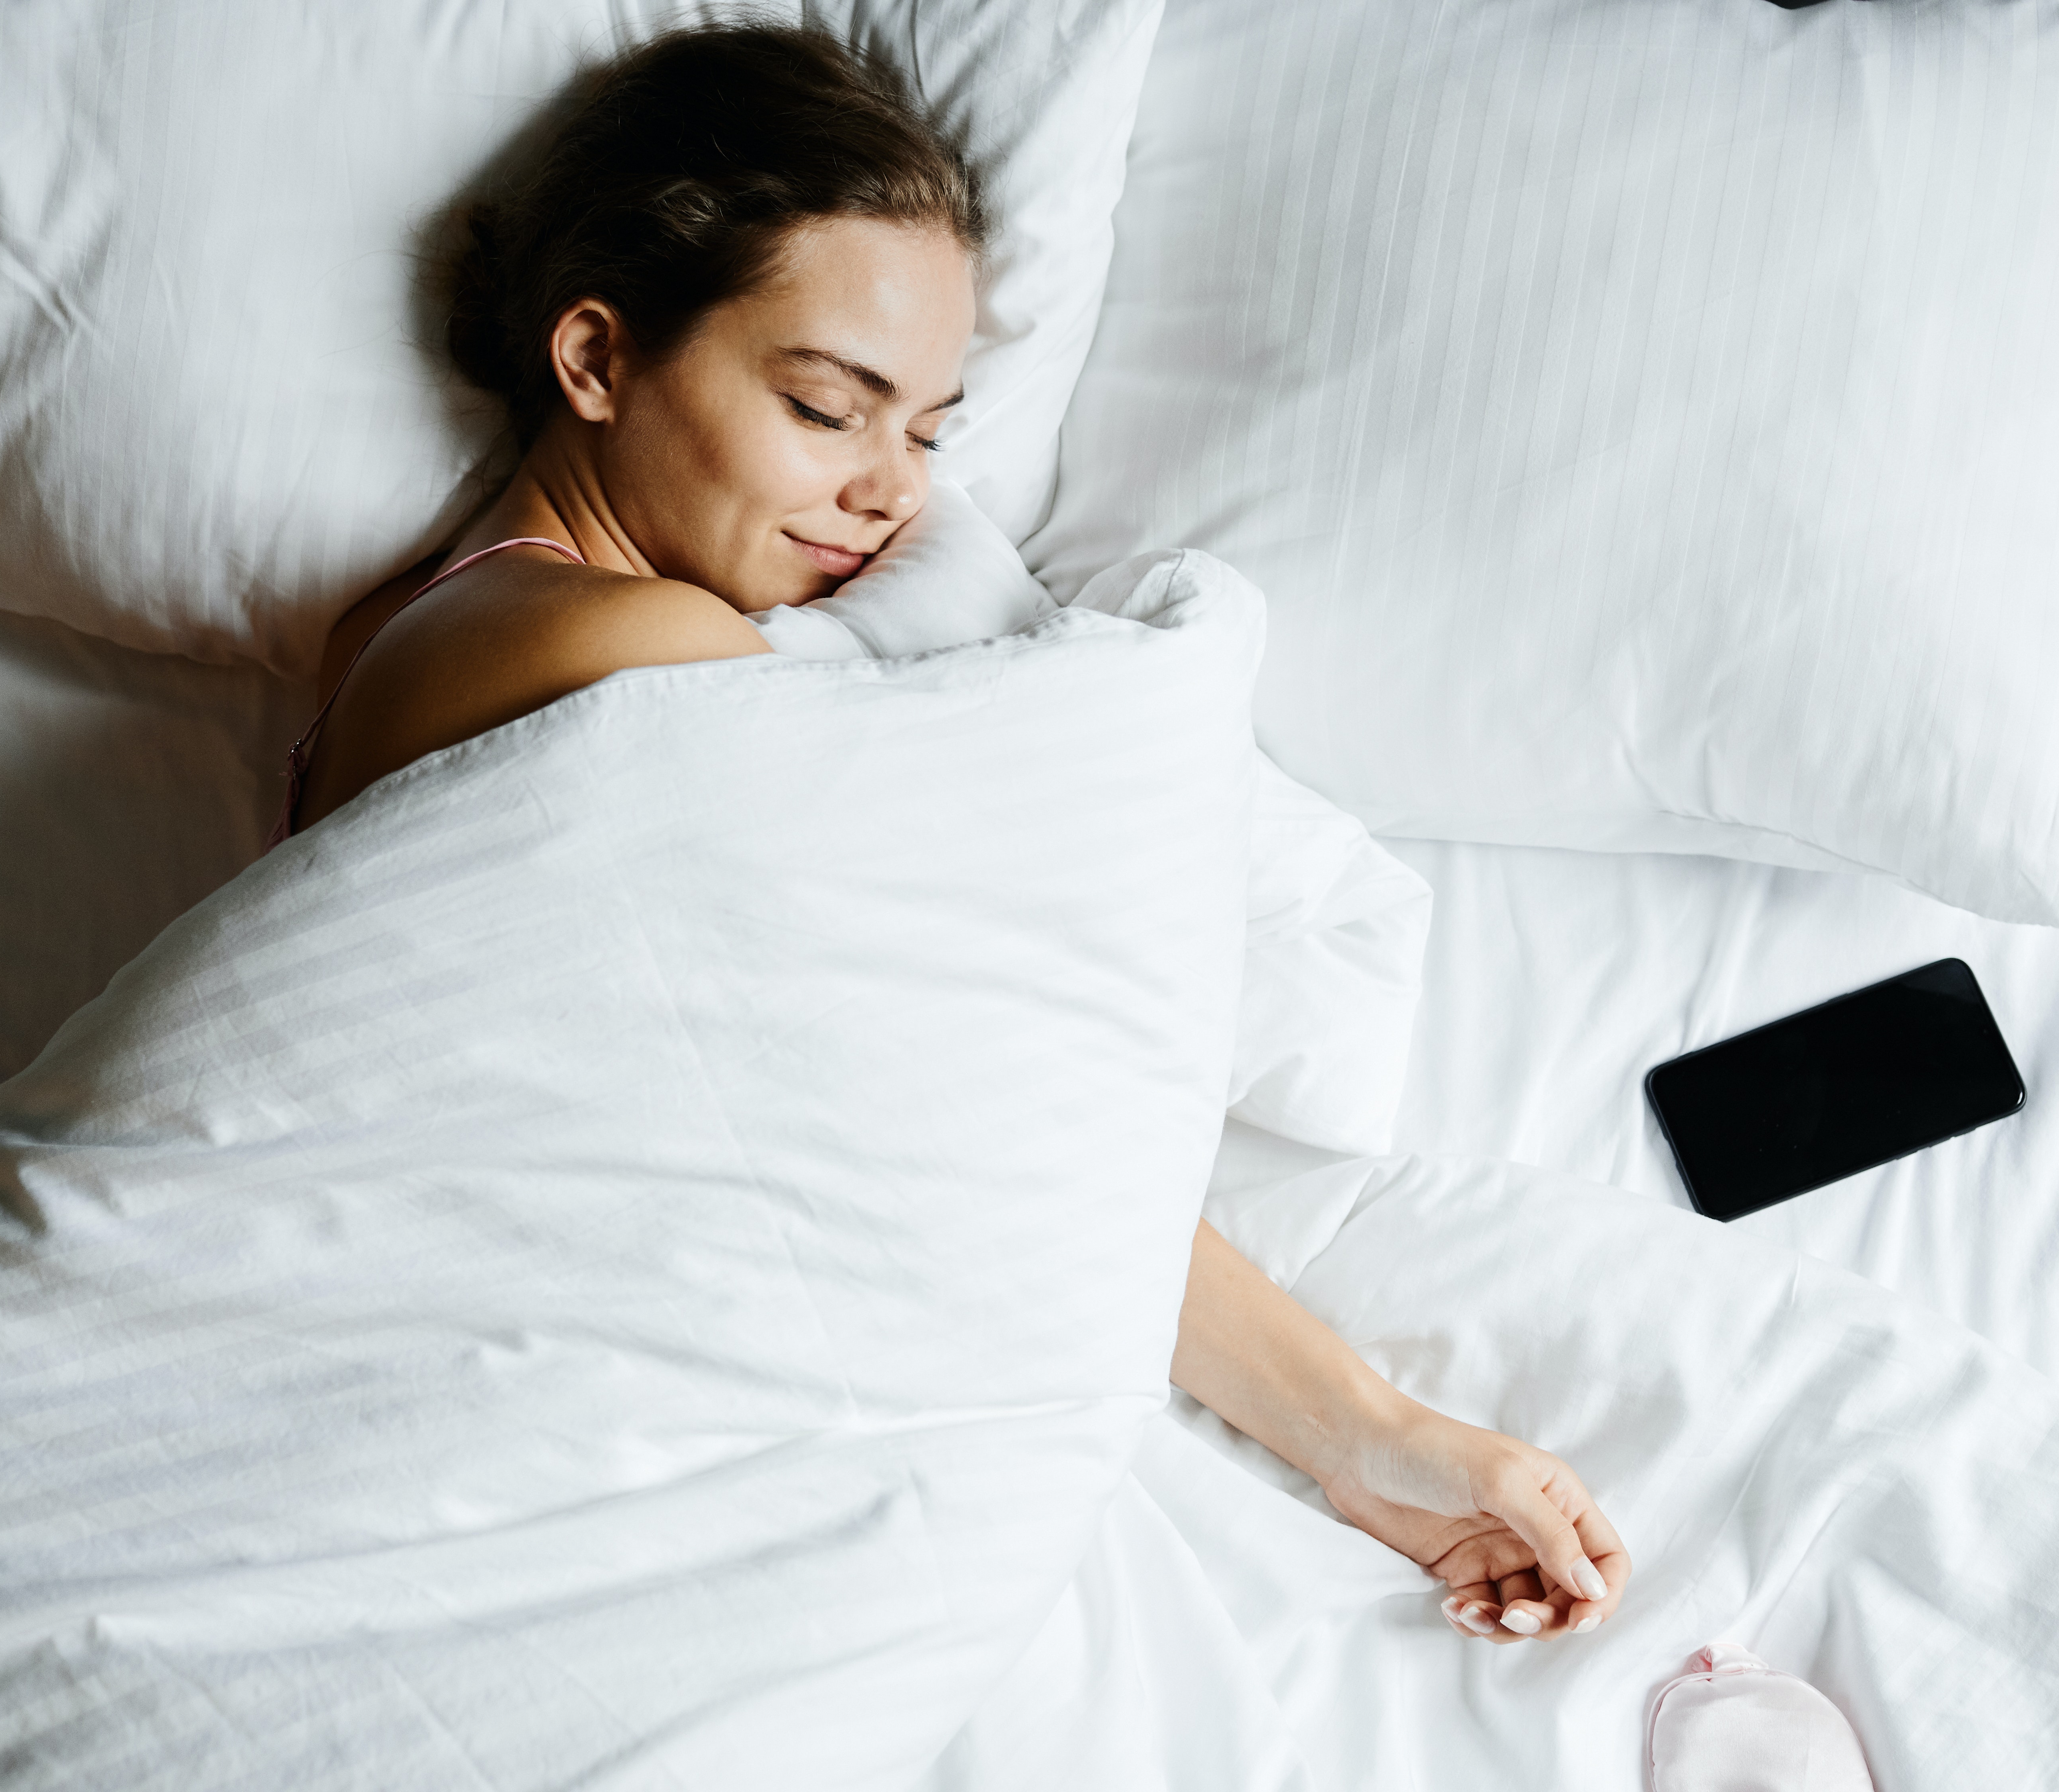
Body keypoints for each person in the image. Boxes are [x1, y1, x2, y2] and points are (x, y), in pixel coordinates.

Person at [282, 19, 1628, 1646]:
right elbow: (971, 1098)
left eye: (924, 431)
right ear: (596, 357)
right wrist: (1369, 1431)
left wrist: (1372, 1445)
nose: (889, 495)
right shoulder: (629, 655)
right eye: (825, 407)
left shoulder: (403, 633)